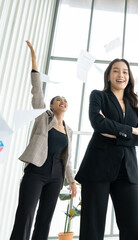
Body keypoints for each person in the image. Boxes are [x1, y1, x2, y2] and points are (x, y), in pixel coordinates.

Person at [75, 58, 138, 240]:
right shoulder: (98, 96)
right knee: (92, 228)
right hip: (97, 167)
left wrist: (113, 130)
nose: (121, 75)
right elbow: (98, 124)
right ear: (108, 75)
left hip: (127, 171)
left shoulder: (134, 104)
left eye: (125, 72)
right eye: (116, 71)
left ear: (129, 77)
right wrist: (132, 130)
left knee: (136, 229)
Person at [10, 41, 77, 240]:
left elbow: (68, 160)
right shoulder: (43, 118)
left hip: (56, 175)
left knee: (45, 219)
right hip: (36, 171)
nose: (63, 102)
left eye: (65, 100)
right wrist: (34, 60)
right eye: (58, 100)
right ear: (51, 105)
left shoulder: (69, 130)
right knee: (25, 215)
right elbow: (37, 90)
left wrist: (71, 181)